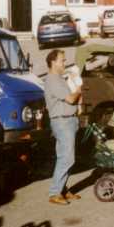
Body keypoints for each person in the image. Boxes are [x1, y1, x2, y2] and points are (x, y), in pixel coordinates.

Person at [44, 49, 82, 205]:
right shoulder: (53, 80)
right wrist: (79, 89)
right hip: (62, 122)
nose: (64, 63)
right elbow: (71, 99)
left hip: (68, 120)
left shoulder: (59, 79)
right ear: (53, 62)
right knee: (67, 158)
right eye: (62, 60)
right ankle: (55, 193)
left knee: (64, 156)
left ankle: (62, 189)